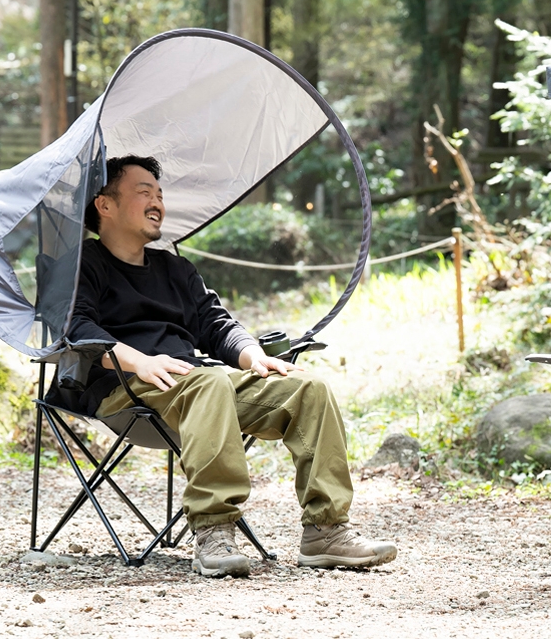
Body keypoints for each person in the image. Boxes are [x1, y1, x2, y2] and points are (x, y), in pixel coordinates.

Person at [67, 154, 397, 578]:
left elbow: (216, 324)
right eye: (144, 192)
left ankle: (325, 531)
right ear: (105, 205)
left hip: (197, 384)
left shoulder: (175, 268)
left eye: (160, 195)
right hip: (124, 387)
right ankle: (214, 529)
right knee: (209, 383)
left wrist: (255, 357)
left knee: (308, 389)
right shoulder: (83, 264)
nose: (158, 203)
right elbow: (76, 328)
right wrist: (139, 361)